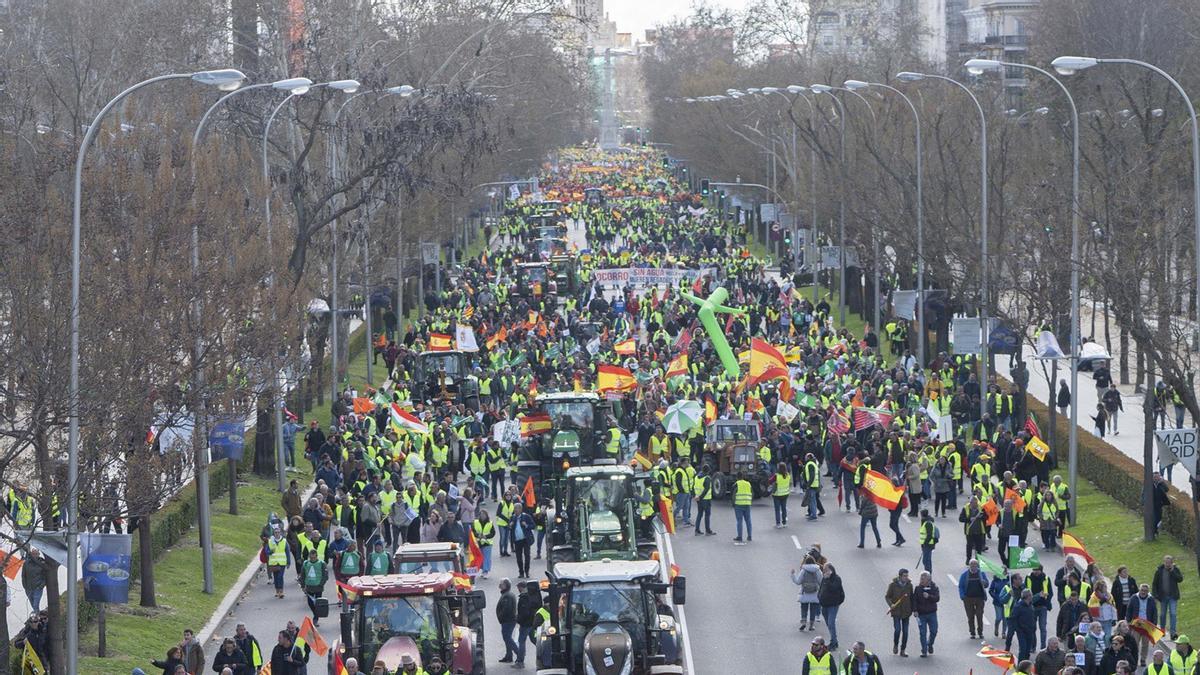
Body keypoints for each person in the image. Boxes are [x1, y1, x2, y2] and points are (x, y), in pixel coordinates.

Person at [1124, 583, 1158, 664]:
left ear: (1148, 591)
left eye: (1145, 591)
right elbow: (1129, 610)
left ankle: (1143, 659)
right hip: (1136, 624)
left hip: (1147, 625)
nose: (1143, 592)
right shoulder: (1134, 598)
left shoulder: (1151, 599)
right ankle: (1134, 658)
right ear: (1139, 590)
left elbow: (1154, 613)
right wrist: (1128, 621)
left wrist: (1154, 625)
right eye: (1142, 590)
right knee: (1135, 643)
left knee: (1145, 644)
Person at [1152, 554, 1183, 639]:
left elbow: (1180, 579)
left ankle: (1173, 633)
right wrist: (1155, 595)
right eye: (1166, 562)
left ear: (1172, 563)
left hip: (1173, 596)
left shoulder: (1175, 569)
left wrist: (1173, 571)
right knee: (1162, 614)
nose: (1167, 564)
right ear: (1164, 562)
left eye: (1169, 563)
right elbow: (1154, 584)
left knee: (1173, 614)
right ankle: (1162, 630)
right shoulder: (1159, 571)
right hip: (1163, 597)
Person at [885, 568, 914, 657]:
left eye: (907, 576)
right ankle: (896, 645)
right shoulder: (893, 585)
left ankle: (903, 650)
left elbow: (911, 598)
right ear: (900, 576)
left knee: (905, 632)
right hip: (896, 611)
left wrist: (913, 609)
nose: (906, 578)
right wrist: (891, 605)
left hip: (906, 611)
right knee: (897, 630)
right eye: (904, 576)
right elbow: (887, 597)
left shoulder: (909, 585)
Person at [958, 558, 989, 639]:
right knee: (970, 616)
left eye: (975, 565)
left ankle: (980, 632)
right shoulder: (964, 575)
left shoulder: (981, 574)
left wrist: (984, 582)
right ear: (969, 566)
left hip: (979, 598)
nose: (974, 566)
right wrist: (962, 596)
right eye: (972, 565)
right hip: (968, 598)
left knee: (979, 615)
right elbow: (961, 586)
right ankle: (972, 632)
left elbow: (986, 584)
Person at [791, 554, 822, 631]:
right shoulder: (817, 570)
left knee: (804, 608)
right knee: (813, 609)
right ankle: (811, 625)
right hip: (814, 593)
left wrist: (793, 574)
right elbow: (821, 582)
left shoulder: (803, 570)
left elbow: (798, 581)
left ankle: (804, 622)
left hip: (805, 592)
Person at [515, 583, 543, 667]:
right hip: (533, 622)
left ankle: (520, 661)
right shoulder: (534, 596)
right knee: (534, 640)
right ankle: (544, 653)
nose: (518, 590)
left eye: (518, 588)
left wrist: (518, 620)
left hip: (525, 624)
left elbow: (524, 613)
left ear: (522, 587)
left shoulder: (524, 598)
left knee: (521, 641)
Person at [913, 571, 940, 657]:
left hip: (932, 613)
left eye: (923, 579)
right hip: (921, 615)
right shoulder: (918, 588)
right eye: (921, 579)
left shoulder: (934, 587)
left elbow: (937, 598)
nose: (921, 581)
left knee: (934, 631)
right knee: (922, 632)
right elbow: (914, 600)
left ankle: (930, 644)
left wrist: (929, 596)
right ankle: (924, 650)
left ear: (928, 580)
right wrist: (915, 610)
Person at [818, 563, 844, 650]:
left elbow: (834, 588)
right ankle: (835, 641)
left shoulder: (836, 579)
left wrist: (828, 580)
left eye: (825, 570)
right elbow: (821, 588)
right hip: (824, 605)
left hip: (833, 605)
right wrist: (819, 596)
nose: (824, 572)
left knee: (831, 623)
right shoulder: (824, 578)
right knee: (828, 624)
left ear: (831, 570)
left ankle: (833, 642)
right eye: (823, 570)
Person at [1007, 589, 1038, 662]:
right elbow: (1013, 618)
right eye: (1031, 595)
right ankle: (1020, 667)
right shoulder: (1018, 606)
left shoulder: (1031, 606)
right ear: (1028, 596)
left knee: (1027, 650)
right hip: (1022, 632)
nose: (1032, 596)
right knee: (1023, 649)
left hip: (1030, 631)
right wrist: (1018, 629)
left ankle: (1026, 666)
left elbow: (1033, 617)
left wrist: (1034, 627)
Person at [302, 548, 328, 626]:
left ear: (317, 556)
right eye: (311, 557)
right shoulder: (306, 564)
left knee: (318, 603)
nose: (312, 559)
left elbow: (325, 575)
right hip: (309, 587)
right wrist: (303, 585)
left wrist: (321, 584)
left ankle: (316, 618)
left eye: (314, 557)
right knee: (310, 603)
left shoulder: (322, 564)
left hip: (318, 587)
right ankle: (316, 614)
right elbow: (303, 575)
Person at [510, 503, 536, 578]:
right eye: (515, 509)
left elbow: (533, 526)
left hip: (525, 539)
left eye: (518, 508)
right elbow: (510, 528)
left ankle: (527, 571)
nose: (516, 510)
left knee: (527, 555)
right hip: (517, 540)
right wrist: (510, 525)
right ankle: (521, 572)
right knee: (519, 557)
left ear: (521, 509)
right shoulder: (513, 517)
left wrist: (526, 525)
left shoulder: (526, 517)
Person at [496, 578, 519, 663]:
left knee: (507, 638)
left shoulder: (507, 596)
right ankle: (509, 656)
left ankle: (519, 653)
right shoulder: (507, 594)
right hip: (508, 620)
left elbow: (507, 609)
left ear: (505, 586)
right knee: (507, 638)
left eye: (501, 584)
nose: (499, 586)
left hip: (508, 621)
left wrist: (501, 617)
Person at [265, 525, 290, 599]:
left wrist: (288, 562)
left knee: (280, 576)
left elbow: (287, 552)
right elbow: (266, 551)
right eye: (275, 532)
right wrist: (270, 551)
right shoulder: (270, 541)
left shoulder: (284, 541)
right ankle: (277, 591)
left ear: (280, 533)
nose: (277, 534)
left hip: (282, 563)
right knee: (275, 577)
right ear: (273, 533)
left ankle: (281, 591)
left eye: (278, 532)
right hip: (273, 563)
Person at [693, 464, 715, 536]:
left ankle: (697, 530)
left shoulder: (696, 477)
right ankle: (708, 531)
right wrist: (701, 497)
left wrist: (696, 496)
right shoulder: (707, 478)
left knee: (699, 514)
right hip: (705, 499)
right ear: (708, 471)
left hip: (698, 499)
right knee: (707, 515)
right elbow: (706, 489)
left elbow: (693, 487)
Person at [473, 508, 495, 579]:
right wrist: (477, 535)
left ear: (486, 515)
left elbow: (493, 533)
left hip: (487, 543)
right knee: (480, 558)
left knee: (487, 558)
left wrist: (486, 536)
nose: (482, 516)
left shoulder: (490, 523)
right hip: (478, 543)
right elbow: (473, 531)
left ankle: (486, 571)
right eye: (481, 515)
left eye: (484, 515)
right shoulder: (475, 522)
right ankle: (483, 570)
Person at [732, 471, 753, 543]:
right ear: (743, 477)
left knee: (739, 521)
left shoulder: (736, 484)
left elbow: (733, 495)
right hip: (747, 504)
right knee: (748, 520)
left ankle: (740, 537)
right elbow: (752, 493)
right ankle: (749, 536)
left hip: (738, 505)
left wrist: (733, 504)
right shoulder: (748, 484)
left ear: (737, 477)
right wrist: (750, 501)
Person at [771, 461, 790, 527]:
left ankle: (778, 523)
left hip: (777, 495)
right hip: (785, 494)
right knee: (784, 508)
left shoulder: (776, 476)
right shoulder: (788, 475)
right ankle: (784, 522)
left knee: (777, 509)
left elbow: (770, 481)